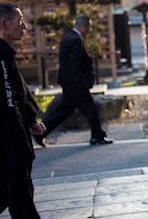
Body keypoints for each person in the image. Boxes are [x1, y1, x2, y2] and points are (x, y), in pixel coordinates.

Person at [0, 3, 65, 219]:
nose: (24, 26)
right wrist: (24, 121)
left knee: (11, 189)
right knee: (18, 188)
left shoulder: (5, 53)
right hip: (7, 137)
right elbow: (9, 97)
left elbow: (16, 91)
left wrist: (28, 118)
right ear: (4, 24)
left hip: (11, 132)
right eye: (20, 21)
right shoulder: (0, 54)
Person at [34, 15, 113, 146]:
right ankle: (97, 136)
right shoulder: (76, 40)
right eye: (88, 27)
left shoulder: (67, 37)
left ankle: (41, 132)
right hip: (76, 83)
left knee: (65, 109)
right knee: (90, 108)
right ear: (83, 26)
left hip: (68, 81)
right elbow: (74, 64)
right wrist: (82, 81)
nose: (88, 31)